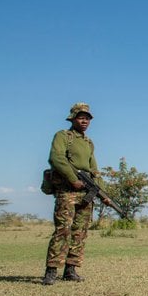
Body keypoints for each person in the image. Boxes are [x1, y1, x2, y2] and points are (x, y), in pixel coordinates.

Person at [42, 102, 109, 285]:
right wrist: (73, 179)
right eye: (81, 117)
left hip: (86, 192)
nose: (85, 121)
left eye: (87, 118)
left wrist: (101, 192)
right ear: (72, 118)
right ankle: (51, 270)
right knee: (63, 229)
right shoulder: (63, 136)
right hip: (67, 191)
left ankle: (70, 269)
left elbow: (94, 169)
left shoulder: (88, 142)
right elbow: (56, 158)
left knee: (80, 232)